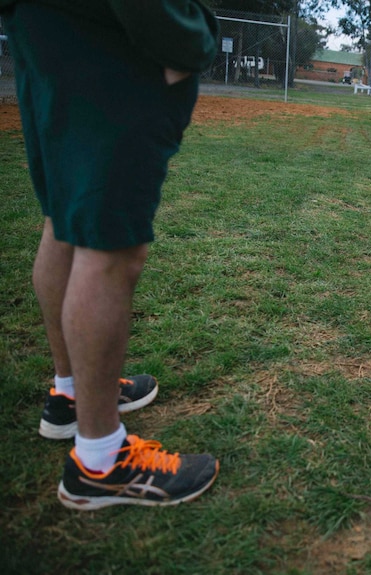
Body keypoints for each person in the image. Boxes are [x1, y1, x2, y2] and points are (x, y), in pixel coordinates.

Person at [1, 0, 221, 509]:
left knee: (64, 221)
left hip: (47, 25)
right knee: (108, 244)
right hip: (107, 39)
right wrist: (189, 42)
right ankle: (100, 460)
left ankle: (71, 393)